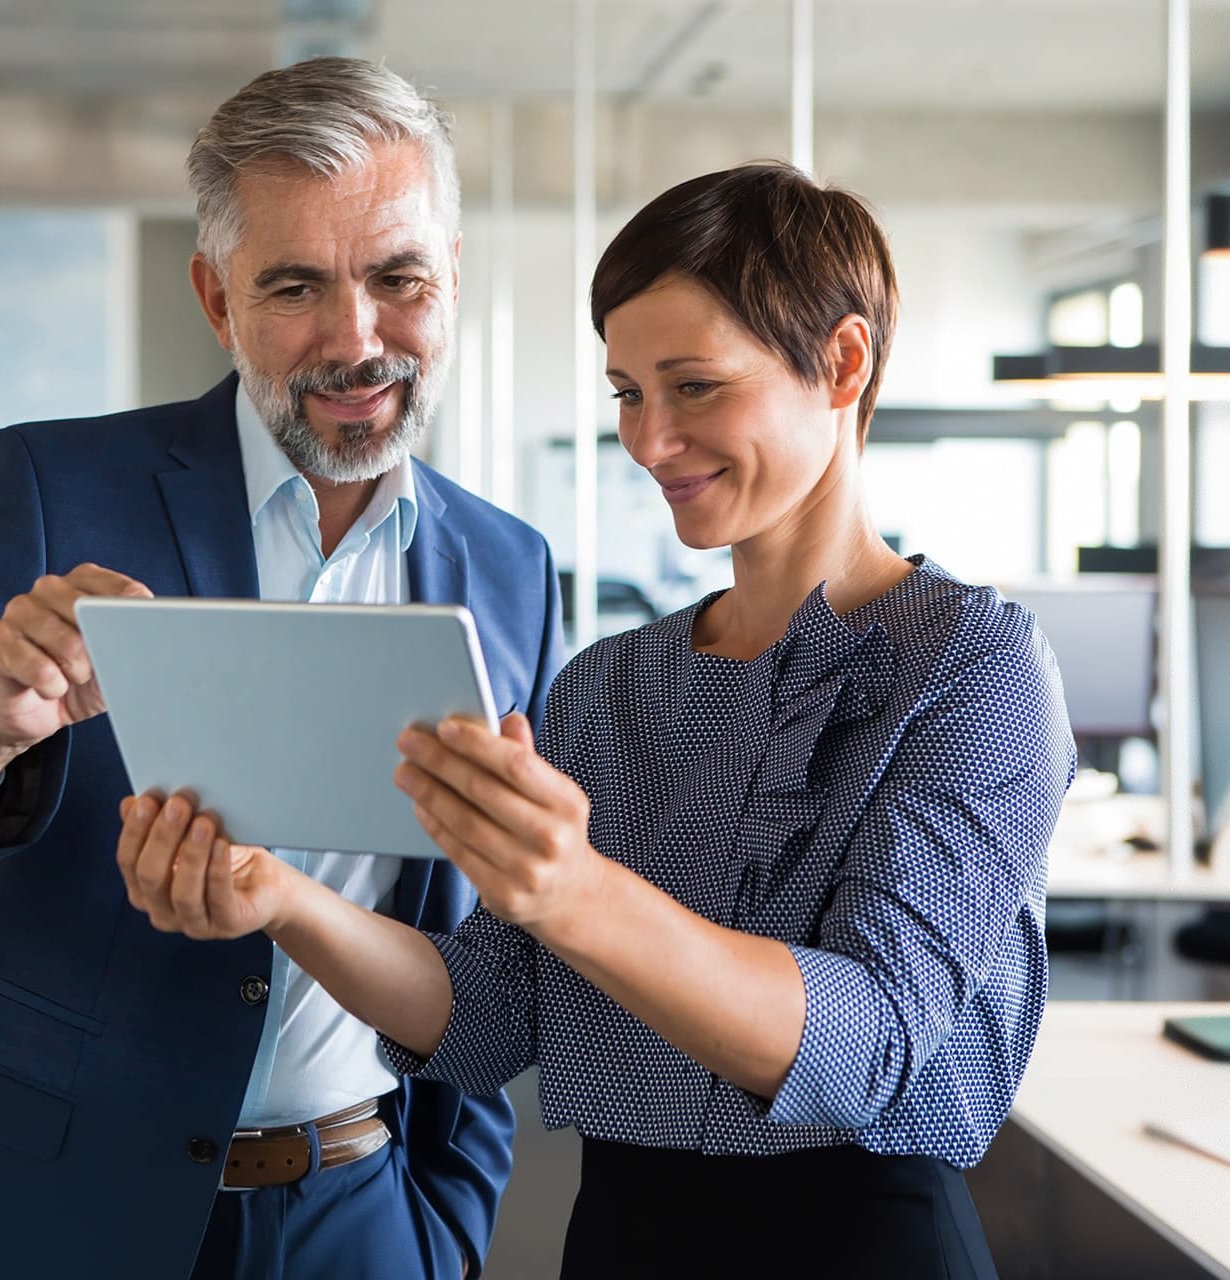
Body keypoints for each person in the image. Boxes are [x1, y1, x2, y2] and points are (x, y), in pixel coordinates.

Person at [121, 161, 1076, 1278]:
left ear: (843, 362)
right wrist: (280, 896)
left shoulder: (970, 664)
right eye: (626, 393)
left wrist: (574, 890)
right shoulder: (610, 682)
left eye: (694, 387)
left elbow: (868, 1043)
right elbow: (484, 1016)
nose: (649, 440)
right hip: (624, 1235)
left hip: (859, 1238)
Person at [0, 57, 562, 1280]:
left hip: (362, 1212)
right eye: (294, 285)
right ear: (216, 296)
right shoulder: (47, 488)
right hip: (46, 1207)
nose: (356, 338)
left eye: (397, 278)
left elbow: (493, 946)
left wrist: (442, 1228)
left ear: (448, 272)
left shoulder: (509, 565)